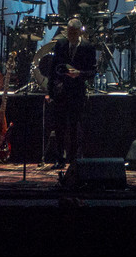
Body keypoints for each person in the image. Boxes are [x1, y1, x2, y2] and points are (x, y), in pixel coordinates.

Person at [44, 17, 97, 167]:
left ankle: (73, 159)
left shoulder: (88, 47)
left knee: (74, 127)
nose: (71, 36)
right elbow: (52, 69)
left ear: (80, 32)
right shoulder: (60, 44)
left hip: (76, 92)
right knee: (59, 127)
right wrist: (50, 91)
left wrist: (79, 73)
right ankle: (59, 158)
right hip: (61, 91)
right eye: (69, 32)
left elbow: (92, 71)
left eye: (74, 33)